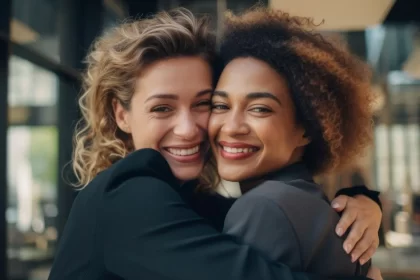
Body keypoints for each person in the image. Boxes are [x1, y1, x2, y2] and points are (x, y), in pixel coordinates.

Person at [48, 8, 382, 280]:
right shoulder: (127, 197)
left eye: (205, 104)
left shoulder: (191, 203)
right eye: (162, 108)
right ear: (122, 115)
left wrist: (362, 201)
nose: (188, 128)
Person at [207, 7, 378, 277]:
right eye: (220, 105)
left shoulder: (264, 208)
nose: (231, 126)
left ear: (306, 130)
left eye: (260, 109)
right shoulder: (307, 201)